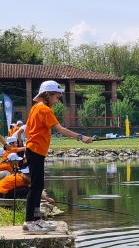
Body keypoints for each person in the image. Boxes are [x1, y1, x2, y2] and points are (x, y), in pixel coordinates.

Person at [23, 80, 91, 233]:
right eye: (56, 97)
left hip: (33, 150)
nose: (57, 100)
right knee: (36, 187)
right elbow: (60, 129)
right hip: (36, 151)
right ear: (47, 95)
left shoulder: (35, 108)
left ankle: (36, 219)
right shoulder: (45, 110)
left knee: (38, 185)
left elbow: (27, 130)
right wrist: (81, 137)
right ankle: (30, 221)